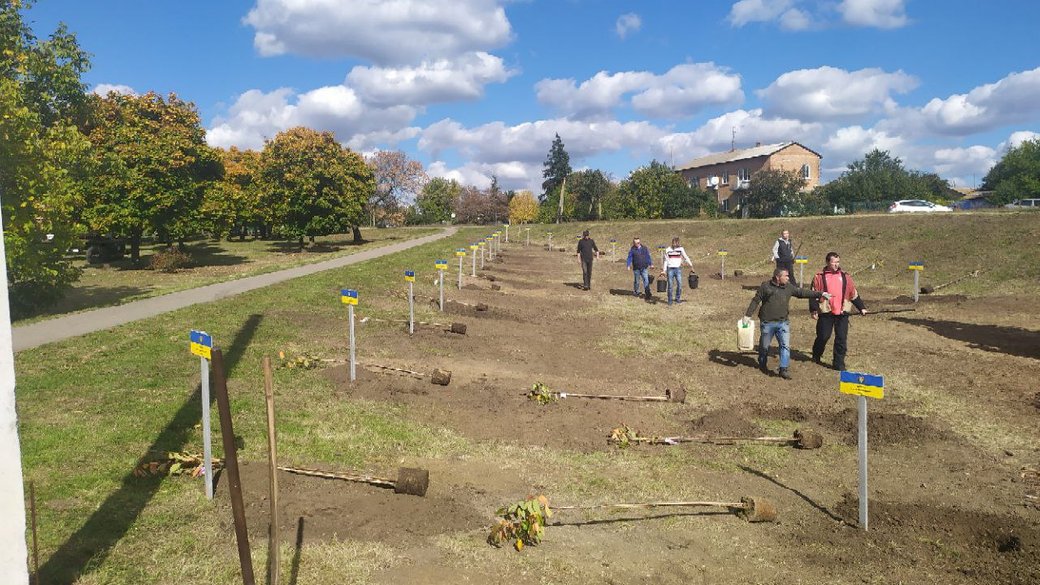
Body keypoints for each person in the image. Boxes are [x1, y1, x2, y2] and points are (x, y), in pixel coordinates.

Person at [744, 268, 830, 380]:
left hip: (783, 322)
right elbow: (755, 300)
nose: (788, 278)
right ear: (777, 277)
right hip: (767, 323)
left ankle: (783, 369)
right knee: (764, 346)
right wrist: (747, 315)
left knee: (785, 346)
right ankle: (762, 363)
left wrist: (820, 293)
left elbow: (801, 292)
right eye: (786, 276)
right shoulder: (765, 287)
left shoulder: (788, 287)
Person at [809, 252, 867, 371]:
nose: (836, 264)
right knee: (823, 336)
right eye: (833, 262)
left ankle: (838, 363)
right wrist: (814, 309)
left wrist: (861, 307)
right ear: (827, 262)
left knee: (841, 338)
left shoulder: (846, 276)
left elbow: (853, 294)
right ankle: (816, 354)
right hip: (826, 311)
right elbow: (813, 294)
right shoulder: (818, 277)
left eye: (838, 262)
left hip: (842, 312)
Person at [662, 237, 694, 306]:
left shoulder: (681, 249)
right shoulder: (667, 250)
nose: (676, 245)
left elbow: (686, 257)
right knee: (670, 286)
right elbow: (665, 261)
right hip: (670, 269)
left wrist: (691, 265)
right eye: (674, 243)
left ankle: (677, 298)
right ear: (672, 243)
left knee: (679, 285)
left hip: (678, 269)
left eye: (677, 243)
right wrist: (664, 270)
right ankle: (670, 300)